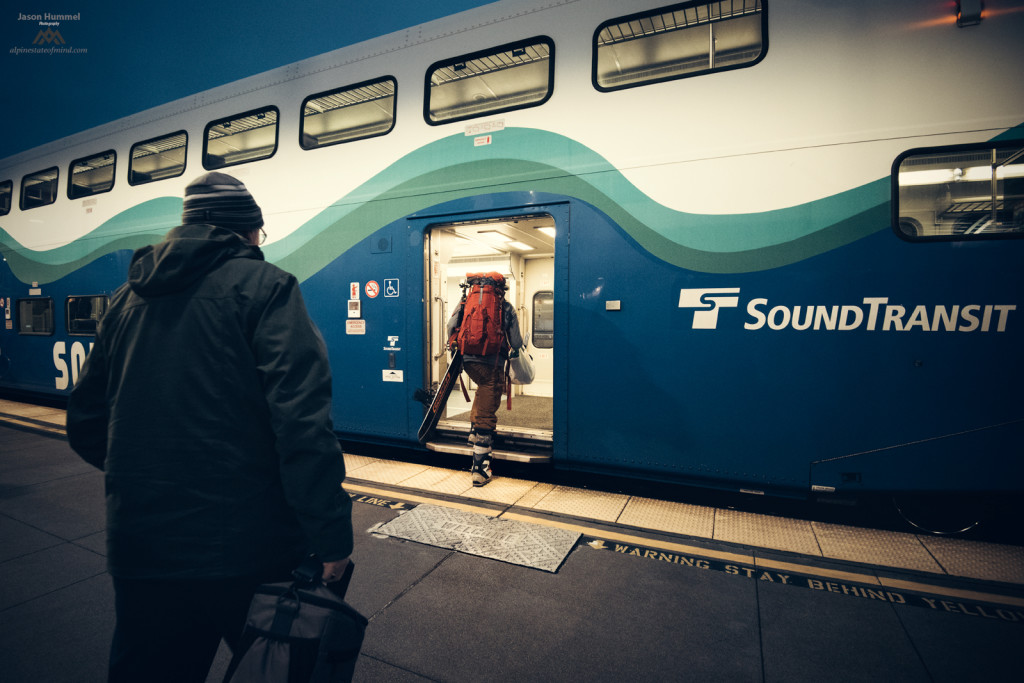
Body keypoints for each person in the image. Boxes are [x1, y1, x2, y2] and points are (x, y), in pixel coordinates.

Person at [66, 172, 354, 683]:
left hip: (141, 544)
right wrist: (331, 539)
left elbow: (87, 423)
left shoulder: (124, 301)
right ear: (246, 232)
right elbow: (303, 427)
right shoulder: (268, 287)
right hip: (249, 546)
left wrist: (148, 475)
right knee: (272, 667)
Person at [446, 274, 525, 486]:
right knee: (487, 413)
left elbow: (450, 326)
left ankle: (473, 430)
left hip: (469, 363)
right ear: (501, 289)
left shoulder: (464, 302)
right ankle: (480, 469)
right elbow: (516, 341)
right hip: (493, 363)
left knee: (481, 389)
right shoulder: (506, 307)